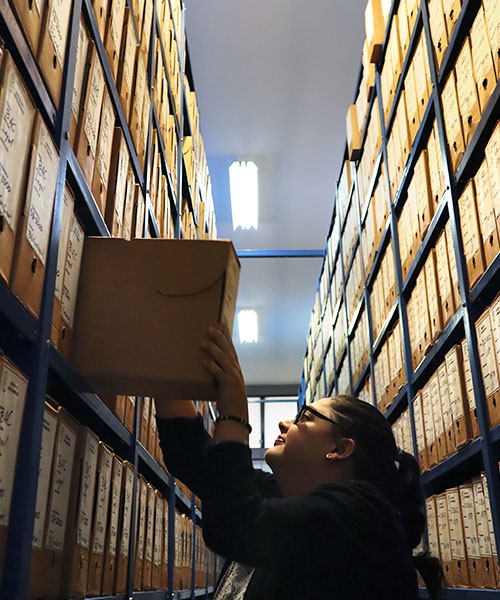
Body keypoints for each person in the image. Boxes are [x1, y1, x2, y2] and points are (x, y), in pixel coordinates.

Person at [156, 324, 443, 600]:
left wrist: (234, 416)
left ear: (340, 448)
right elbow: (193, 457)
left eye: (304, 417)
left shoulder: (361, 515)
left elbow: (233, 526)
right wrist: (159, 360)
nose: (284, 423)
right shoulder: (287, 496)